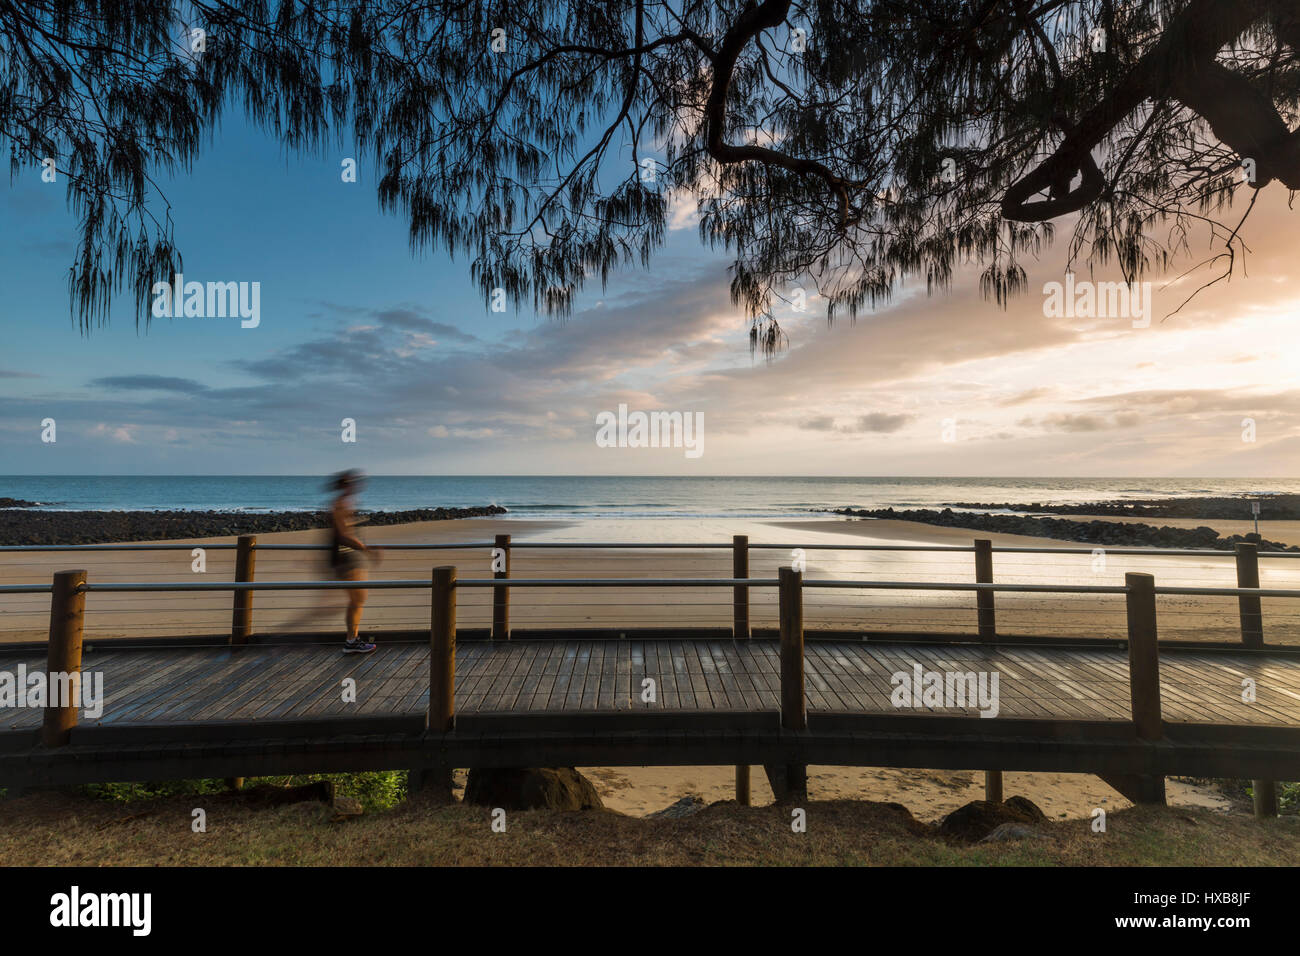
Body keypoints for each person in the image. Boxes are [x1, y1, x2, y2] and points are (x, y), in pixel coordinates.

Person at [329, 470, 382, 653]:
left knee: (358, 599)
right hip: (346, 558)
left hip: (350, 557)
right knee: (357, 599)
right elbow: (344, 535)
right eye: (353, 482)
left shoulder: (345, 503)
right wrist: (367, 550)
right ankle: (351, 641)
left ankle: (352, 639)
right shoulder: (340, 504)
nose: (357, 485)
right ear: (346, 485)